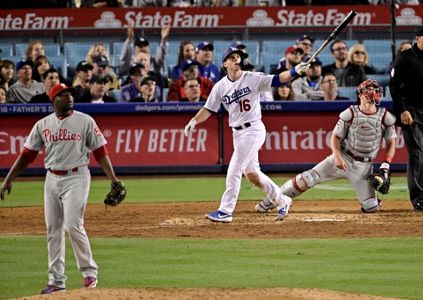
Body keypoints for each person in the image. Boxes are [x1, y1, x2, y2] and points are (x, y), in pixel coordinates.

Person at [0, 83, 122, 294]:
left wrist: (113, 179)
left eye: (70, 94)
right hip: (52, 179)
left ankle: (89, 273)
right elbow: (27, 155)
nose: (69, 97)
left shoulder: (85, 120)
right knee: (53, 229)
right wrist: (8, 179)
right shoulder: (43, 124)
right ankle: (56, 281)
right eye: (63, 95)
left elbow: (100, 151)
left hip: (77, 176)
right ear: (53, 100)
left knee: (74, 224)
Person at [183, 46, 310, 223]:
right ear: (225, 63)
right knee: (252, 174)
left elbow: (279, 79)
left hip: (253, 130)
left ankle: (226, 211)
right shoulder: (220, 86)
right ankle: (282, 200)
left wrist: (295, 71)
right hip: (238, 133)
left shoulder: (252, 77)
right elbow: (208, 109)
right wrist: (194, 121)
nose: (236, 60)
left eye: (238, 57)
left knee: (234, 168)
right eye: (232, 57)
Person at [255, 79, 396, 214]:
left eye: (375, 89)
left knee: (371, 207)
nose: (374, 92)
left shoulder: (385, 116)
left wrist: (386, 164)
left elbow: (391, 141)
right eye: (370, 89)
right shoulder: (351, 113)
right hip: (343, 157)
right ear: (361, 94)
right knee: (307, 179)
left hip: (364, 166)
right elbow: (335, 137)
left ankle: (373, 200)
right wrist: (337, 156)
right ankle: (269, 201)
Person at [389, 26, 423, 211]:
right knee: (417, 153)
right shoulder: (405, 58)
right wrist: (402, 110)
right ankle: (418, 198)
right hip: (412, 112)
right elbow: (395, 87)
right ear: (418, 38)